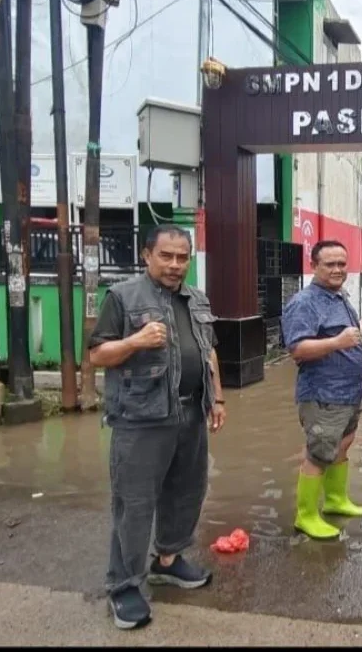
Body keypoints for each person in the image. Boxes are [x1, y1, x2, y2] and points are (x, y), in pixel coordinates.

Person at [88, 224, 227, 629]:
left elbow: (209, 351)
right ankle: (124, 586)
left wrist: (217, 398)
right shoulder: (122, 297)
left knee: (187, 492)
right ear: (147, 255)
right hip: (141, 419)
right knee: (134, 505)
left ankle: (168, 559)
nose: (174, 264)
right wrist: (135, 342)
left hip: (190, 414)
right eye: (166, 256)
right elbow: (98, 354)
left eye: (182, 257)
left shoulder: (196, 299)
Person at [281, 240, 362, 541]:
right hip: (323, 394)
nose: (337, 270)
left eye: (342, 264)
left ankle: (335, 500)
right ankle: (306, 516)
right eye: (330, 264)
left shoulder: (339, 297)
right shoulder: (305, 302)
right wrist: (336, 343)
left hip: (349, 393)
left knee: (342, 446)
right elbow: (297, 348)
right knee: (318, 453)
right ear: (313, 265)